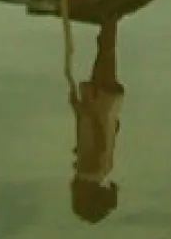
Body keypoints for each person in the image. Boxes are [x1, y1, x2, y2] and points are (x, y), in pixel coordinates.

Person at [69, 16, 124, 224]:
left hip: (104, 107)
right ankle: (111, 14)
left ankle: (110, 19)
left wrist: (81, 111)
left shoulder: (101, 171)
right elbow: (98, 139)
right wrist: (85, 111)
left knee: (106, 51)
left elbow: (104, 136)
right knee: (106, 51)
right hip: (99, 105)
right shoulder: (89, 171)